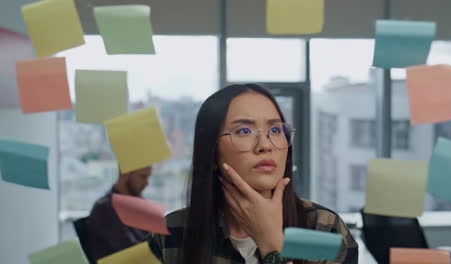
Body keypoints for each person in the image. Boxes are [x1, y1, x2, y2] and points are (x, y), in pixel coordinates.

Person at [147, 84, 358, 264]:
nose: (265, 145)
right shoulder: (170, 235)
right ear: (212, 154)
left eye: (275, 130)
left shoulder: (324, 230)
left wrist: (272, 245)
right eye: (244, 131)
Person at [85, 166, 153, 264]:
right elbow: (132, 251)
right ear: (125, 174)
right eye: (143, 176)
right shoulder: (105, 208)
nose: (147, 183)